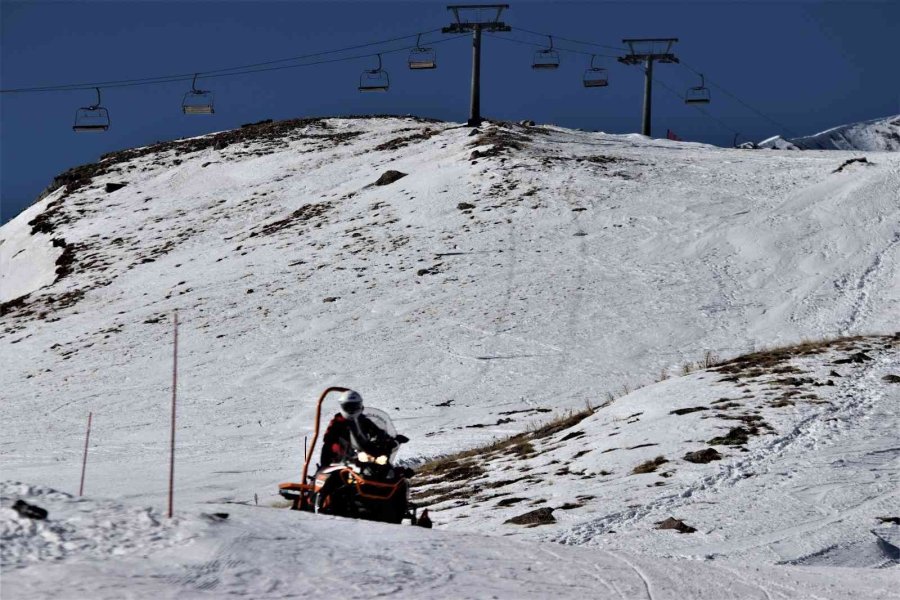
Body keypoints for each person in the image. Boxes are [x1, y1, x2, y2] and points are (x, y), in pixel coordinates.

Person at [319, 390, 401, 467]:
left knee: (385, 470)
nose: (352, 410)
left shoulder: (363, 420)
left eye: (355, 407)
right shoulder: (337, 422)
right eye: (348, 407)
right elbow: (328, 439)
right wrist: (342, 449)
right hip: (339, 460)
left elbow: (377, 431)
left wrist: (390, 439)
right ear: (342, 407)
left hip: (360, 456)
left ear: (360, 406)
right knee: (334, 477)